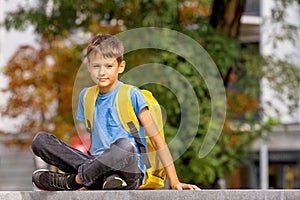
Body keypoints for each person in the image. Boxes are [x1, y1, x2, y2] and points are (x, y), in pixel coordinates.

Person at [31, 33, 200, 191]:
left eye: (108, 66)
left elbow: (157, 140)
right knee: (41, 140)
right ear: (88, 67)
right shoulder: (86, 96)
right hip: (97, 163)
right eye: (96, 66)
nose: (102, 72)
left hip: (129, 170)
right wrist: (94, 167)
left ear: (120, 66)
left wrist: (175, 181)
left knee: (124, 146)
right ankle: (101, 178)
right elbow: (93, 141)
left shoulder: (132, 95)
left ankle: (72, 182)